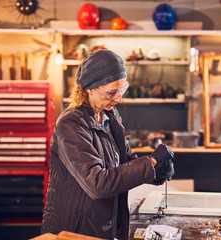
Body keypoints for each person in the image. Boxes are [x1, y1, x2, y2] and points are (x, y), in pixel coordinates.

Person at [41, 49, 175, 240]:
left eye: (122, 90)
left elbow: (127, 163)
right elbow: (98, 183)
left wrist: (156, 171)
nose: (119, 98)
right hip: (75, 229)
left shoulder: (110, 117)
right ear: (90, 88)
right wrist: (151, 162)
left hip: (108, 223)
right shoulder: (70, 125)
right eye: (111, 92)